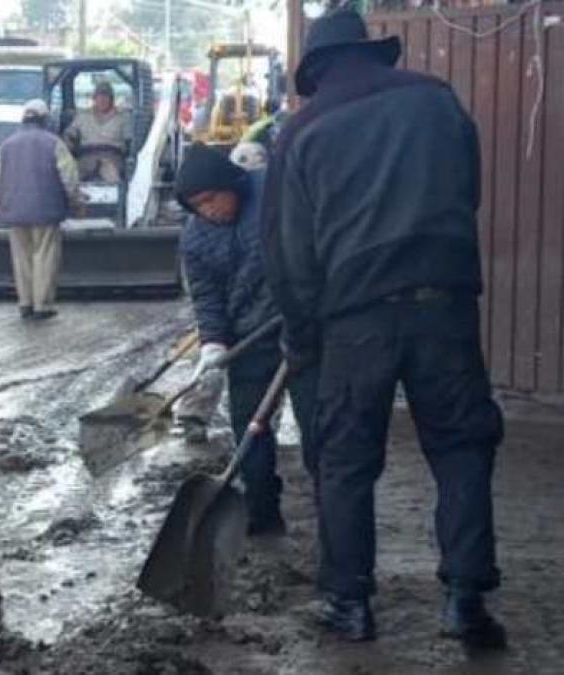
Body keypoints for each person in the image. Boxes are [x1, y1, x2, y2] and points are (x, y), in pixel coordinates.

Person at [263, 8, 505, 647]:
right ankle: (465, 600)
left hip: (355, 318)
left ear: (316, 70)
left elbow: (288, 255)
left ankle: (349, 603)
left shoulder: (303, 130)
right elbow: (468, 190)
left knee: (344, 462)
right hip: (446, 302)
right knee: (462, 449)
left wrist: (301, 336)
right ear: (374, 53)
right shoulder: (438, 99)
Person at [174, 142, 319, 535]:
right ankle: (261, 511)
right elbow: (206, 294)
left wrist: (302, 310)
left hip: (303, 330)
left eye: (211, 199)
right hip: (249, 340)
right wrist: (213, 342)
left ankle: (334, 511)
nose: (208, 210)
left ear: (230, 184)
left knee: (318, 424)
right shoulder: (196, 237)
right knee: (249, 425)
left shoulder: (274, 195)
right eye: (197, 206)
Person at [0, 99, 81, 320]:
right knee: (45, 256)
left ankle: (25, 302)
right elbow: (69, 176)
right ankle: (43, 305)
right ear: (45, 119)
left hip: (15, 211)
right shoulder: (53, 143)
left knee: (22, 258)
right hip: (46, 211)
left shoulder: (7, 145)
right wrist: (76, 201)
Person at [64, 81, 130, 182]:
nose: (102, 100)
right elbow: (70, 134)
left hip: (112, 156)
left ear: (112, 99)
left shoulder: (122, 117)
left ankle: (117, 194)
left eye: (106, 96)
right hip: (86, 156)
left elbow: (129, 142)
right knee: (69, 174)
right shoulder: (83, 116)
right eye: (99, 96)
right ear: (94, 98)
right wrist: (68, 143)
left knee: (109, 170)